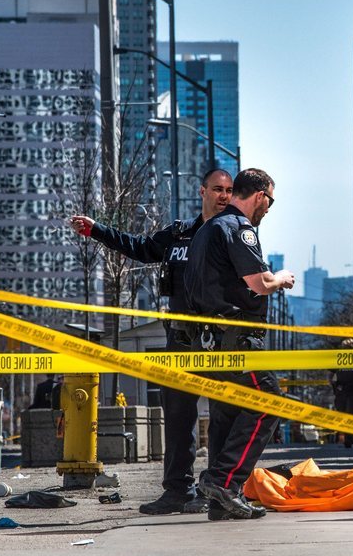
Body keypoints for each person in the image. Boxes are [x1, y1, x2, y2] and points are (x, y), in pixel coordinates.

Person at [69, 168, 234, 516]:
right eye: (217, 189)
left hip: (220, 339)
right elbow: (140, 248)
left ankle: (217, 490)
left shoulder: (232, 235)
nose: (223, 196)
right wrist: (97, 230)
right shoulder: (179, 234)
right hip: (181, 339)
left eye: (229, 190)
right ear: (202, 191)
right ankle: (177, 491)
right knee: (178, 416)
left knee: (223, 415)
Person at [184, 167, 296, 521]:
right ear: (260, 196)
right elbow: (259, 284)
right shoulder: (238, 228)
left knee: (227, 415)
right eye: (270, 202)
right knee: (267, 402)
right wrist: (281, 278)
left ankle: (221, 502)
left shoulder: (206, 230)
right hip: (236, 341)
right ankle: (223, 482)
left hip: (209, 341)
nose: (268, 210)